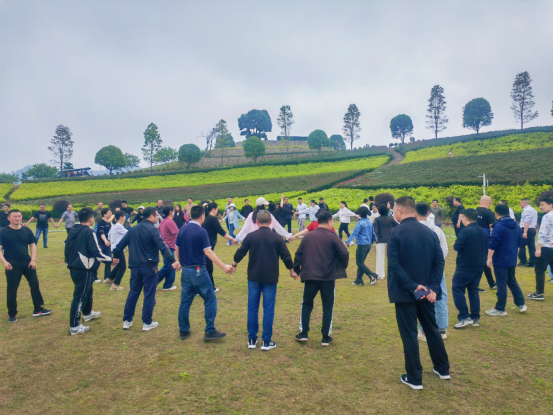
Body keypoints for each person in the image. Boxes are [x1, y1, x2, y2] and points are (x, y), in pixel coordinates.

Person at [387, 196, 449, 390]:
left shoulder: (395, 232)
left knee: (410, 334)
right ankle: (442, 368)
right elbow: (439, 262)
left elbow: (394, 265)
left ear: (399, 211)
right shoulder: (430, 232)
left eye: (394, 210)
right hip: (426, 292)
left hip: (406, 293)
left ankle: (414, 378)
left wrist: (413, 286)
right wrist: (433, 287)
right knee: (431, 329)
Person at [231, 210, 297, 350]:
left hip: (253, 277)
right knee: (268, 309)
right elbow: (286, 256)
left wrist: (234, 264)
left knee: (252, 308)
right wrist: (291, 270)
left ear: (256, 222)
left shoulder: (251, 236)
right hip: (270, 278)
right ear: (271, 221)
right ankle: (266, 341)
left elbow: (241, 252)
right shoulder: (277, 237)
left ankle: (252, 339)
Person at [112, 207, 181, 331]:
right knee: (149, 294)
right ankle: (147, 322)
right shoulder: (153, 230)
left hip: (135, 267)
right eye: (156, 215)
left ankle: (127, 320)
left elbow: (120, 245)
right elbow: (162, 246)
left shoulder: (133, 229)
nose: (157, 218)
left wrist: (115, 256)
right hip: (149, 267)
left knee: (133, 293)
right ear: (151, 215)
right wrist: (173, 261)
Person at [176, 205, 232, 341]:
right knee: (210, 299)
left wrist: (180, 262)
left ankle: (183, 330)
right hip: (198, 271)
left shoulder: (182, 229)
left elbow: (177, 248)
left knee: (185, 302)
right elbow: (208, 251)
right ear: (202, 216)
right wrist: (223, 266)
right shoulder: (201, 231)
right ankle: (210, 330)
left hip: (186, 271)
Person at [293, 211, 349, 346]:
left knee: (307, 304)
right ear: (329, 222)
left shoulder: (308, 236)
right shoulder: (333, 237)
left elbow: (298, 254)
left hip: (310, 276)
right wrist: (340, 266)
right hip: (328, 277)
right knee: (327, 306)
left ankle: (304, 332)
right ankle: (325, 336)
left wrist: (296, 269)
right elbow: (344, 253)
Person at [65, 207, 113, 335]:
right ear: (91, 219)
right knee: (80, 296)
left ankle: (87, 313)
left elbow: (67, 248)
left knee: (88, 291)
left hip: (74, 267)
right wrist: (110, 260)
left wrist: (68, 262)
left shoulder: (73, 229)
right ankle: (74, 326)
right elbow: (96, 251)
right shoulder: (89, 232)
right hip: (83, 268)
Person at [0, 209, 51, 323]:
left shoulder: (26, 230)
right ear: (8, 218)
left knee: (35, 285)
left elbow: (32, 245)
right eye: (14, 216)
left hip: (27, 262)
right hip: (12, 264)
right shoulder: (3, 232)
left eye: (19, 216)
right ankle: (12, 314)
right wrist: (4, 262)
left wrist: (33, 260)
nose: (17, 218)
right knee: (12, 289)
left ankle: (38, 309)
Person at [415, 203, 450, 341]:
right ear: (429, 212)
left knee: (423, 297)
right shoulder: (437, 230)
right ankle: (442, 329)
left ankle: (423, 330)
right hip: (438, 271)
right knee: (440, 297)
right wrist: (437, 264)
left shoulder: (414, 230)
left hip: (421, 271)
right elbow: (444, 250)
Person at [485, 204, 526, 316]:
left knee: (501, 283)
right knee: (512, 281)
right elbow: (519, 243)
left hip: (500, 259)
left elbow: (493, 243)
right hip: (511, 258)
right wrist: (515, 256)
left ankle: (500, 308)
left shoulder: (498, 226)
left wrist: (489, 258)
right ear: (508, 213)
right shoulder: (516, 225)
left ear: (496, 214)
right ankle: (521, 304)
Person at [451, 208, 489, 329]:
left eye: (462, 217)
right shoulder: (482, 231)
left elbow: (458, 246)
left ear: (465, 218)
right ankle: (475, 317)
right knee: (473, 290)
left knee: (457, 288)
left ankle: (464, 316)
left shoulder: (465, 231)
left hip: (465, 266)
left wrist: (455, 244)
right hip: (479, 266)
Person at [203, 202, 236, 292]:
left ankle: (206, 287)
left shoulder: (206, 218)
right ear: (213, 209)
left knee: (206, 266)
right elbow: (222, 232)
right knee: (208, 267)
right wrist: (232, 238)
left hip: (204, 245)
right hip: (207, 246)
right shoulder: (212, 219)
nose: (217, 211)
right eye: (217, 209)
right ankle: (210, 288)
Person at [527, 195, 553, 301]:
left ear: (550, 205)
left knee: (540, 270)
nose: (540, 207)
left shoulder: (547, 217)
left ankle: (539, 293)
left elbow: (542, 233)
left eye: (542, 205)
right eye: (540, 205)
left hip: (546, 247)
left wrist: (538, 248)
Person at [346, 207, 378, 285]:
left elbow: (354, 234)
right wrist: (375, 239)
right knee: (361, 263)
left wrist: (347, 242)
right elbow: (373, 233)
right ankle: (359, 280)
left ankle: (372, 275)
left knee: (359, 263)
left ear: (360, 214)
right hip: (368, 245)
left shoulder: (360, 223)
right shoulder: (369, 222)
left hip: (362, 245)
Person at [476, 196, 497, 291]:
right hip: (484, 239)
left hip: (473, 238)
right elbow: (492, 228)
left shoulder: (474, 211)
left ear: (480, 202)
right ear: (490, 202)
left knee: (481, 260)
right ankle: (476, 284)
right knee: (483, 261)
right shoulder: (489, 213)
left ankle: (491, 283)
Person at [157, 206, 179, 291]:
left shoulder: (163, 221)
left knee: (171, 266)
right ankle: (153, 282)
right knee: (168, 266)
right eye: (173, 211)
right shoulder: (169, 222)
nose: (174, 212)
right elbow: (178, 233)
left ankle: (168, 285)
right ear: (170, 212)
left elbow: (158, 231)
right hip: (168, 247)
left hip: (167, 246)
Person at [373, 204, 398, 279]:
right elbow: (397, 226)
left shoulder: (377, 219)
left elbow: (376, 230)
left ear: (379, 211)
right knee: (392, 257)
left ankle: (380, 274)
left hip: (380, 240)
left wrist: (374, 237)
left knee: (380, 257)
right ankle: (392, 273)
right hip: (390, 239)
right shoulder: (391, 219)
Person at [106, 211, 128, 290]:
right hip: (117, 248)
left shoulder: (114, 225)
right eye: (124, 216)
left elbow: (109, 235)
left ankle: (110, 279)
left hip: (114, 248)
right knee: (123, 267)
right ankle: (115, 284)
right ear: (120, 217)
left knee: (119, 265)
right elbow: (128, 233)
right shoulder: (118, 226)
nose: (125, 217)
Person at [518, 198, 538, 267]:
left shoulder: (526, 210)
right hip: (532, 229)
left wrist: (525, 231)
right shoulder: (534, 210)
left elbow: (527, 221)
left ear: (523, 203)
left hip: (526, 229)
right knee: (531, 246)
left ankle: (523, 260)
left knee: (521, 245)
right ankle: (533, 261)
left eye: (520, 203)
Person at [95, 207, 113, 284]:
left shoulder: (109, 222)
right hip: (101, 243)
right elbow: (101, 233)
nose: (111, 213)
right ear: (104, 214)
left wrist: (110, 241)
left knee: (109, 259)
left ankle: (107, 277)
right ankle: (93, 276)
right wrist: (105, 240)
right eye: (109, 212)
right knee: (98, 259)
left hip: (107, 244)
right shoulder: (101, 222)